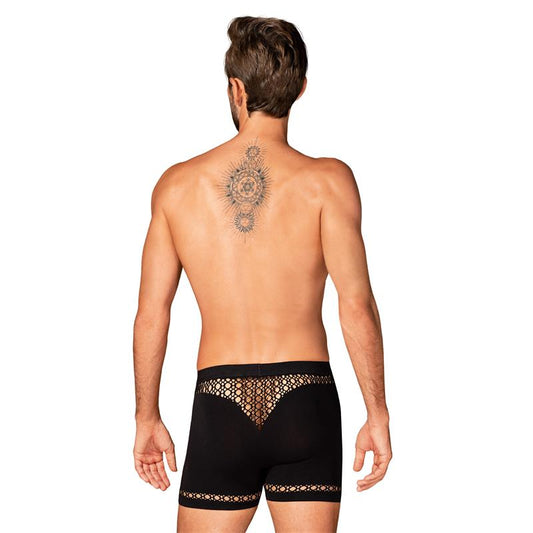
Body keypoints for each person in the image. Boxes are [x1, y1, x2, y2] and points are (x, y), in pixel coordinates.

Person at [133, 15, 392, 533]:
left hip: (219, 402)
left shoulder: (176, 186)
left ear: (236, 88)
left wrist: (146, 417)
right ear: (300, 88)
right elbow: (356, 305)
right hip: (306, 398)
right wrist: (378, 413)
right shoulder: (329, 181)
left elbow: (152, 313)